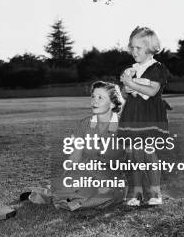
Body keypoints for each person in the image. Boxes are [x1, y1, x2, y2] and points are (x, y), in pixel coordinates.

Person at [30, 81, 126, 211]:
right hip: (85, 173)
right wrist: (66, 178)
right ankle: (64, 196)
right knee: (70, 187)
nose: (94, 101)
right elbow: (75, 157)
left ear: (113, 103)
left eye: (100, 97)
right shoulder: (84, 124)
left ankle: (66, 198)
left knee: (105, 192)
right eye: (93, 96)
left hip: (110, 178)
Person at [119, 26, 170, 207]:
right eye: (132, 48)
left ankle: (155, 193)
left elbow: (152, 90)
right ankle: (136, 193)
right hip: (132, 116)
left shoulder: (157, 68)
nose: (134, 52)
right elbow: (127, 94)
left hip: (149, 117)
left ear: (150, 48)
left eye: (138, 48)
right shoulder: (132, 69)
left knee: (148, 153)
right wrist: (127, 87)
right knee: (134, 155)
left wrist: (131, 83)